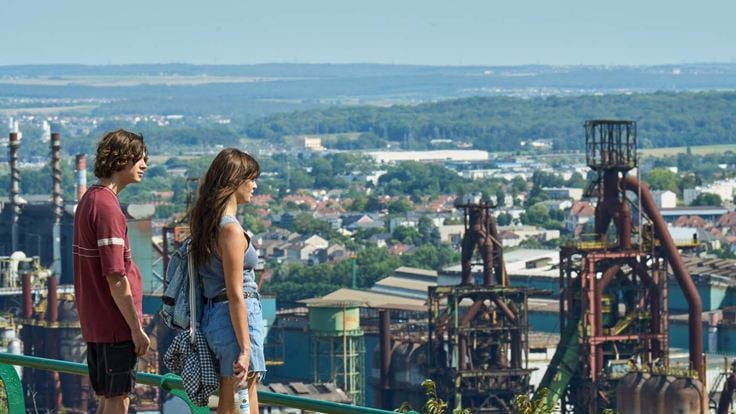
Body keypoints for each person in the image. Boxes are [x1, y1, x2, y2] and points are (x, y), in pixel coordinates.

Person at [72, 130, 150, 414]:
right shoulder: (107, 208)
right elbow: (115, 275)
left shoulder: (89, 200)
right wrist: (135, 328)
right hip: (114, 324)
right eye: (140, 158)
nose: (144, 164)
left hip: (96, 322)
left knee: (107, 397)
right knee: (119, 399)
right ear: (122, 159)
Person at [190, 148, 266, 414]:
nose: (255, 186)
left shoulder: (208, 224)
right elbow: (235, 293)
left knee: (230, 399)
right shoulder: (231, 229)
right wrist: (246, 348)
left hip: (216, 319)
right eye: (251, 179)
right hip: (236, 320)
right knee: (246, 399)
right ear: (234, 181)